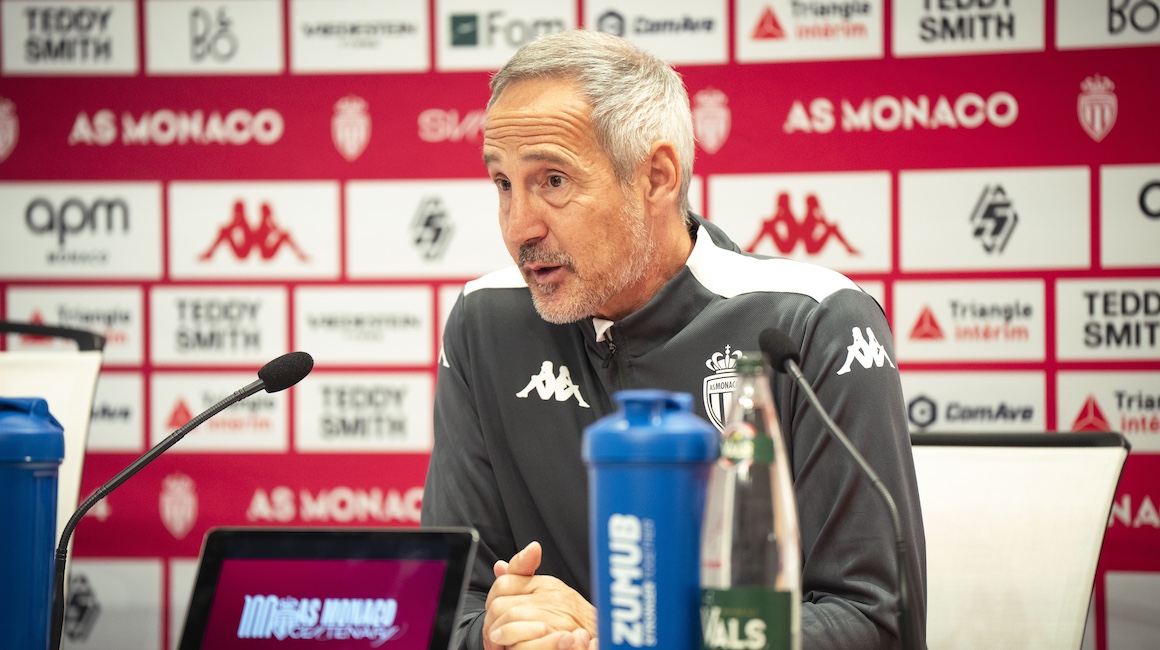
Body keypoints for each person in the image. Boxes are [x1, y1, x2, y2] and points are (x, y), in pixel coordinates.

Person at [421, 29, 927, 650]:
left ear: (657, 177)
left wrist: (634, 638)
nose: (519, 227)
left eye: (552, 181)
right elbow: (449, 605)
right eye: (503, 184)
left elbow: (875, 622)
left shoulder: (812, 322)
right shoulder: (484, 321)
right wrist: (496, 631)